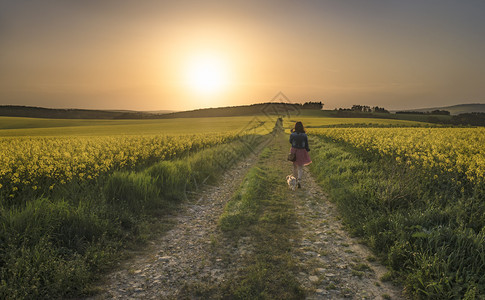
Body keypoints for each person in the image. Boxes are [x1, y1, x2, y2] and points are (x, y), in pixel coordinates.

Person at [289, 121, 311, 188]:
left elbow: (290, 141)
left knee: (294, 166)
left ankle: (294, 180)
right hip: (301, 151)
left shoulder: (293, 134)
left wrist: (292, 133)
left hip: (294, 150)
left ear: (295, 127)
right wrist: (307, 150)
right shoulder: (304, 135)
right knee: (300, 167)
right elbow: (306, 144)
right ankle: (299, 181)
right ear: (302, 127)